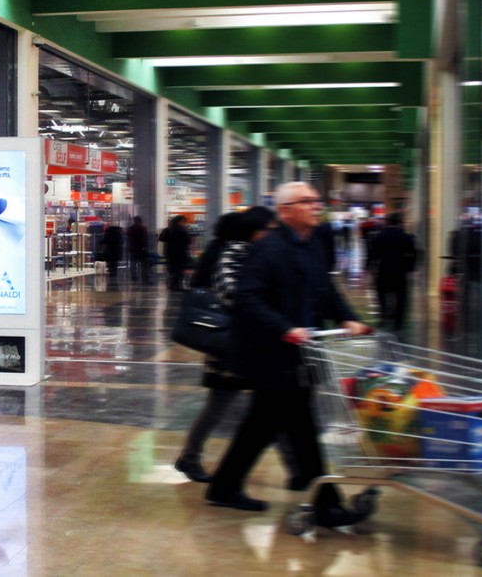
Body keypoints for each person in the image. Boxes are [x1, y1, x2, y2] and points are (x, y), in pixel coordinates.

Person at [205, 182, 369, 529]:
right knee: (297, 425)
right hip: (271, 354)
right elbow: (248, 298)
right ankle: (326, 504)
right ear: (286, 211)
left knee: (267, 425)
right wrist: (285, 328)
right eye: (306, 201)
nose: (315, 205)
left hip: (298, 353)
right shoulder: (269, 248)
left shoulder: (312, 244)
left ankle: (225, 486)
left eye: (315, 199)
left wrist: (347, 317)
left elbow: (324, 289)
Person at [176, 207, 299, 483]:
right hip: (233, 347)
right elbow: (232, 293)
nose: (273, 234)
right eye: (268, 229)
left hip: (258, 345)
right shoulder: (234, 252)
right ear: (254, 231)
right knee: (220, 408)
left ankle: (297, 470)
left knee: (271, 408)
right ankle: (189, 458)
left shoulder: (261, 252)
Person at [367, 213, 418, 331]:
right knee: (401, 296)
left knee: (381, 293)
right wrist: (409, 268)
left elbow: (373, 254)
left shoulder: (381, 236)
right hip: (400, 271)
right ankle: (398, 322)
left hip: (384, 270)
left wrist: (369, 268)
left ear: (388, 222)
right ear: (399, 222)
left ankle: (383, 316)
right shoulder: (406, 237)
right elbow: (414, 254)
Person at [159, 215, 192, 291]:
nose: (184, 223)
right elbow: (188, 241)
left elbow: (161, 238)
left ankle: (172, 285)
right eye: (183, 221)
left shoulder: (168, 230)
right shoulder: (182, 230)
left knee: (172, 270)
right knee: (179, 270)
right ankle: (177, 285)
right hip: (180, 253)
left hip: (170, 253)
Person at [125, 216, 151, 284]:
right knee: (144, 265)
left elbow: (128, 236)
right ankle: (144, 278)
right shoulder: (143, 228)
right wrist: (146, 247)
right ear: (141, 221)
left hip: (133, 248)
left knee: (133, 263)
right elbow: (145, 238)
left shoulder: (131, 228)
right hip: (141, 248)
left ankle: (133, 277)